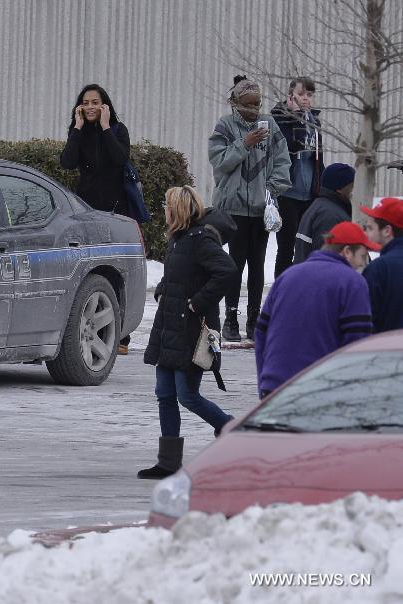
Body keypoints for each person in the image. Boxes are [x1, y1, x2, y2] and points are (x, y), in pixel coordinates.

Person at [139, 186, 237, 480]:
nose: (163, 210)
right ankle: (168, 463)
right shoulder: (177, 240)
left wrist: (198, 302)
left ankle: (231, 428)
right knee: (165, 394)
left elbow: (227, 271)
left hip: (191, 329)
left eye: (167, 205)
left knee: (187, 395)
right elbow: (176, 275)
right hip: (169, 326)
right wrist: (162, 291)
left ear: (177, 209)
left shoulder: (200, 240)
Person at [209, 75, 291, 342]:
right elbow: (219, 162)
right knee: (234, 264)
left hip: (260, 208)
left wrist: (272, 188)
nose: (254, 110)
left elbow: (281, 160)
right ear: (236, 103)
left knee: (257, 265)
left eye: (258, 104)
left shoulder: (270, 125)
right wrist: (244, 144)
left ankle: (254, 319)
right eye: (248, 104)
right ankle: (230, 317)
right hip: (233, 209)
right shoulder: (225, 126)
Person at [255, 222, 377, 398]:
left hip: (275, 388)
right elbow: (356, 344)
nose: (361, 264)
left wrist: (265, 382)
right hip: (320, 392)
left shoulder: (287, 276)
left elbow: (261, 332)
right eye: (362, 256)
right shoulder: (352, 282)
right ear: (347, 251)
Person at [60, 84, 133, 354]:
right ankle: (97, 327)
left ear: (105, 106)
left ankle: (121, 336)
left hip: (115, 209)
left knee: (115, 269)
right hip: (87, 209)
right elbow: (67, 162)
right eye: (85, 102)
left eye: (95, 102)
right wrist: (77, 129)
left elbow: (119, 159)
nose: (90, 107)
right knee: (93, 269)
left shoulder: (116, 130)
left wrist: (104, 127)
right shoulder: (78, 131)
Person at [271, 77, 324, 277]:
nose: (306, 99)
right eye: (301, 94)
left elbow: (318, 160)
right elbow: (286, 146)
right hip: (288, 194)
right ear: (290, 95)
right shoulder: (279, 118)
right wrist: (295, 118)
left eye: (309, 95)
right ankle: (281, 294)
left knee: (307, 247)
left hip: (308, 195)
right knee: (286, 248)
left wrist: (320, 190)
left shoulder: (314, 122)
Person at [293, 163, 356, 264]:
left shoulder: (321, 207)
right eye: (353, 186)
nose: (355, 191)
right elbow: (327, 261)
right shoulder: (330, 216)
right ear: (339, 188)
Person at [361, 197, 403, 332]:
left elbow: (365, 321)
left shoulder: (379, 268)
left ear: (387, 231)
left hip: (385, 350)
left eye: (370, 228)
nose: (366, 234)